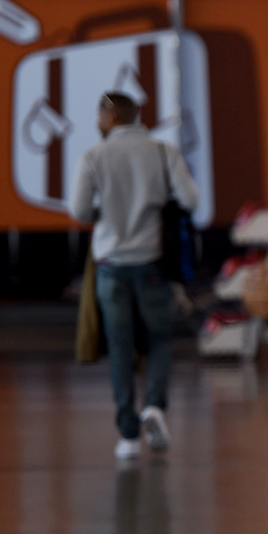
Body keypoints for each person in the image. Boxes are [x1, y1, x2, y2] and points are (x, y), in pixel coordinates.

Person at [68, 92, 199, 460]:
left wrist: (108, 213)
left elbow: (79, 209)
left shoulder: (93, 156)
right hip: (153, 263)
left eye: (99, 115)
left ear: (110, 117)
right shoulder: (163, 151)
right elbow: (191, 201)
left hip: (111, 266)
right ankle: (154, 407)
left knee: (121, 348)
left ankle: (127, 435)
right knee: (158, 340)